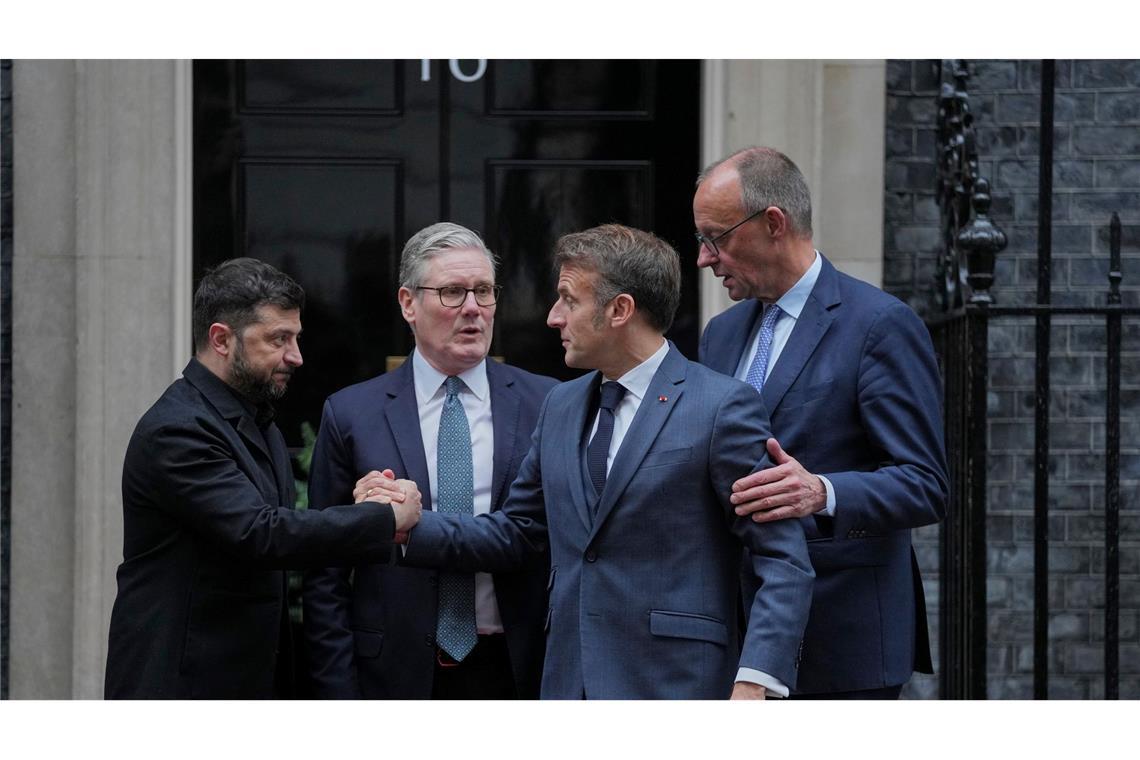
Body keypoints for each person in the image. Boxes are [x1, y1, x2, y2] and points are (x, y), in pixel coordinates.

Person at [399, 224, 814, 699]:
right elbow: (518, 531)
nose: (553, 317)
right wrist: (411, 524)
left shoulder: (720, 407)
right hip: (568, 685)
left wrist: (755, 681)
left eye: (569, 300)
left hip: (679, 687)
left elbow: (783, 561)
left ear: (620, 310)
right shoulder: (560, 406)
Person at [694, 146, 949, 699]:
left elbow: (925, 484)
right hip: (736, 644)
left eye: (714, 238)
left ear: (773, 224)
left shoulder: (879, 325)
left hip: (841, 645)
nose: (705, 258)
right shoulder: (720, 334)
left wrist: (822, 492)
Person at [104, 258, 421, 699]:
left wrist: (364, 505)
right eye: (278, 339)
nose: (296, 356)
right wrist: (383, 518)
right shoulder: (177, 430)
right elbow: (261, 534)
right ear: (221, 339)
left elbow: (280, 530)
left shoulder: (258, 421)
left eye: (296, 338)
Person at [303, 223, 557, 699]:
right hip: (394, 674)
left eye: (483, 291)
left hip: (520, 669)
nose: (473, 309)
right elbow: (326, 573)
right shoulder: (351, 413)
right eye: (453, 292)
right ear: (408, 304)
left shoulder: (550, 404)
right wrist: (337, 697)